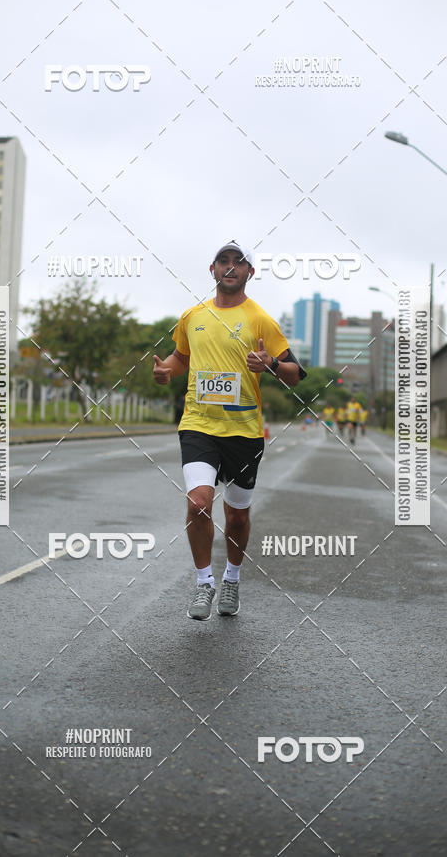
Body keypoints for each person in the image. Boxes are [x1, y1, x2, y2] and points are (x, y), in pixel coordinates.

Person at [152, 240, 306, 620]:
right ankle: (204, 582)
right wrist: (166, 370)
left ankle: (232, 578)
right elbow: (181, 356)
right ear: (213, 269)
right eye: (224, 260)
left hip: (244, 431)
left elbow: (296, 374)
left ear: (250, 273)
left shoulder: (261, 321)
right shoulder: (192, 316)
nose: (231, 267)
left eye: (240, 262)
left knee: (236, 516)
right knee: (199, 502)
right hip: (199, 425)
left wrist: (270, 363)